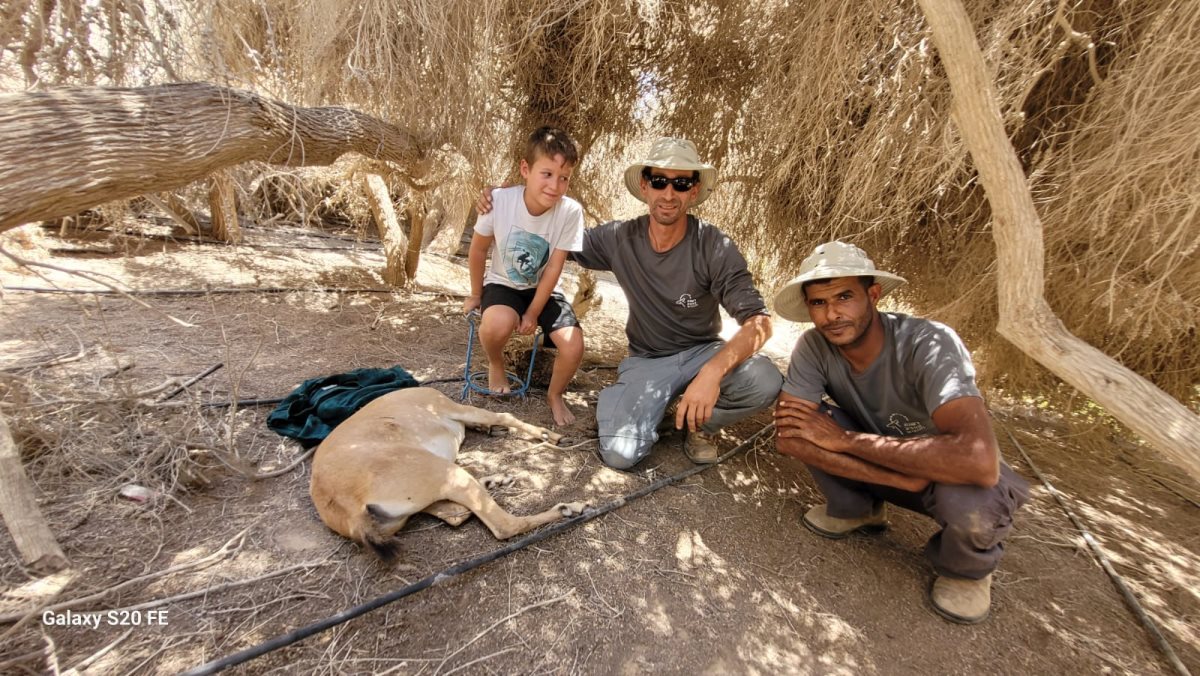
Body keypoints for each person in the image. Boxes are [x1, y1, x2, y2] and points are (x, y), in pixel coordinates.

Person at [482, 137, 782, 468]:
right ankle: (642, 409)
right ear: (645, 185)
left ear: (694, 191)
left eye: (681, 184)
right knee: (621, 456)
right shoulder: (618, 238)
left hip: (702, 351)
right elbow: (556, 232)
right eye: (659, 181)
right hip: (648, 360)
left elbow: (760, 322)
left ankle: (699, 425)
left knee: (765, 381)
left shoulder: (714, 246)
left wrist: (711, 373)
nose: (669, 194)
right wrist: (510, 199)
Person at [771, 241, 1030, 624]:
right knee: (808, 427)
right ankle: (857, 512)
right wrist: (897, 479)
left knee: (978, 501)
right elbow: (788, 436)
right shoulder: (814, 346)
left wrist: (844, 440)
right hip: (897, 468)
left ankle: (966, 569)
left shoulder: (929, 343)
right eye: (819, 303)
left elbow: (978, 460)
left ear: (872, 294)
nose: (832, 315)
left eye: (844, 296)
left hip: (943, 470)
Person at [464, 126, 586, 426]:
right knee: (496, 324)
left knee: (573, 345)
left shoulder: (570, 211)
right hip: (503, 284)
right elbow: (478, 250)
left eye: (564, 178)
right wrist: (476, 293)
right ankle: (496, 363)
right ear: (525, 169)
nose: (555, 186)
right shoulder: (499, 200)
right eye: (546, 174)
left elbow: (555, 267)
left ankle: (555, 395)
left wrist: (533, 312)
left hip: (541, 289)